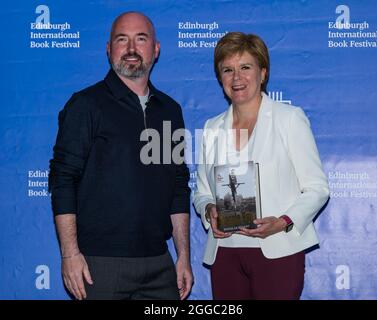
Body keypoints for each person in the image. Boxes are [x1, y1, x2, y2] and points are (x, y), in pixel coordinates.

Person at [49, 12, 193, 300]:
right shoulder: (86, 105)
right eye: (121, 39)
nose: (131, 48)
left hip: (159, 264)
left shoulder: (170, 110)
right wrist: (70, 255)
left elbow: (178, 187)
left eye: (141, 39)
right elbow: (63, 180)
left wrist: (183, 257)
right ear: (108, 49)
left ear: (156, 49)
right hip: (98, 266)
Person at [193, 32, 329, 300]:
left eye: (245, 67)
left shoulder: (289, 119)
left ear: (263, 73)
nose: (236, 78)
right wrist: (209, 209)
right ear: (220, 78)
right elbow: (201, 192)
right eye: (227, 70)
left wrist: (282, 222)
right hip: (226, 252)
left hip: (278, 248)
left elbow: (317, 188)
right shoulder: (211, 128)